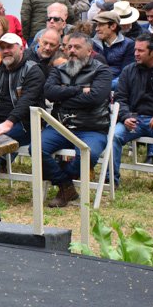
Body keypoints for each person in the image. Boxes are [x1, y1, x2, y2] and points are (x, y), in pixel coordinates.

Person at [37, 32, 112, 208]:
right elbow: (48, 92)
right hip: (59, 126)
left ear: (89, 50)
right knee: (37, 148)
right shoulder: (58, 69)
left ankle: (64, 182)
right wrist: (79, 90)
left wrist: (63, 93)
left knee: (89, 154)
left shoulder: (102, 71)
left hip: (92, 127)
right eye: (69, 47)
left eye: (77, 47)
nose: (71, 51)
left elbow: (95, 98)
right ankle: (66, 186)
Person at [0, 33, 46, 188]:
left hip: (23, 124)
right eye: (2, 47)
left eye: (10, 47)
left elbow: (26, 102)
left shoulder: (33, 71)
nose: (5, 51)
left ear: (21, 49)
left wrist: (8, 124)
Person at [111, 33, 153, 191]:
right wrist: (125, 117)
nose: (135, 54)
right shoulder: (128, 70)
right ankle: (111, 180)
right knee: (115, 135)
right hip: (134, 119)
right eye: (135, 50)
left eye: (140, 50)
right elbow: (120, 99)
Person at [91, 10, 134, 89]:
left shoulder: (129, 45)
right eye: (96, 25)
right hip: (95, 84)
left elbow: (126, 74)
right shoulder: (92, 43)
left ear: (113, 26)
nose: (96, 29)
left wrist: (105, 86)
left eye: (100, 25)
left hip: (116, 87)